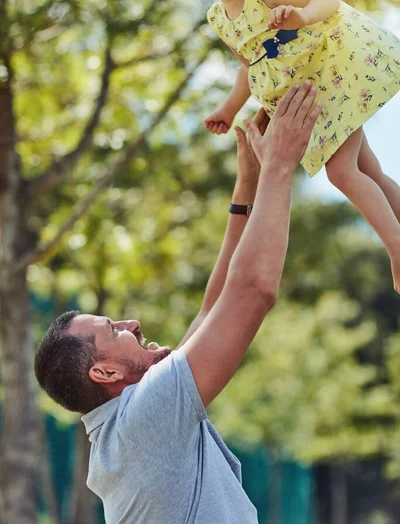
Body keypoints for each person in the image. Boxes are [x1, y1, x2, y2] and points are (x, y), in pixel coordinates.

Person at [35, 82, 321, 524]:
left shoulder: (126, 429)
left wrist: (247, 187)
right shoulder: (144, 420)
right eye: (114, 330)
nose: (131, 323)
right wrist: (280, 167)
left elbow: (212, 310)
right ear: (105, 372)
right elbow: (253, 292)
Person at [166, 0, 400, 292]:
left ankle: (397, 250)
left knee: (342, 173)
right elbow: (251, 64)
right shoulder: (218, 19)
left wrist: (303, 16)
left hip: (327, 79)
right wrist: (228, 110)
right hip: (306, 96)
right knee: (368, 170)